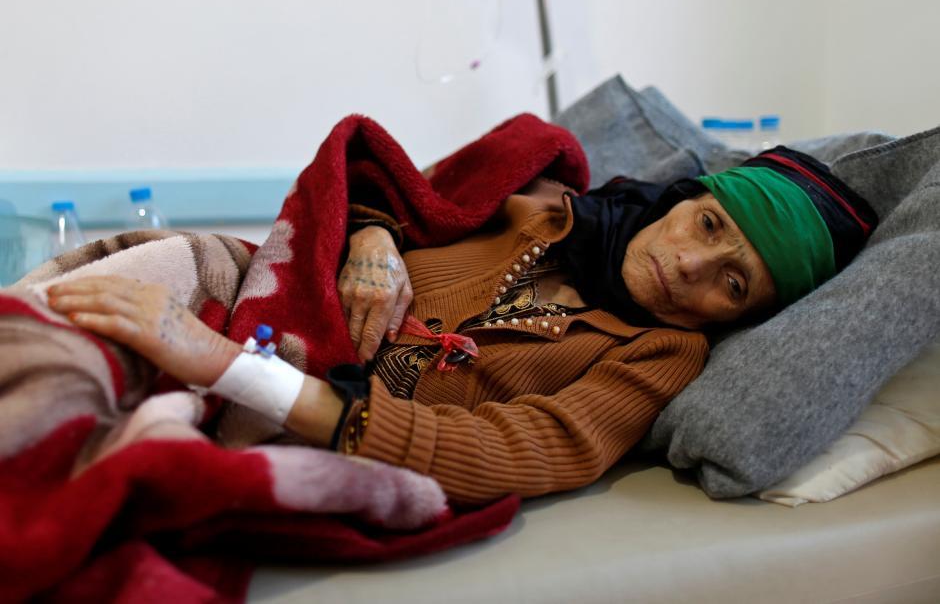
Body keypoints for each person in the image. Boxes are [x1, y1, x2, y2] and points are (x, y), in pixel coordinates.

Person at [44, 147, 877, 505]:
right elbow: (400, 187)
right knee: (103, 295)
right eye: (708, 227)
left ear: (745, 317)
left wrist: (227, 365)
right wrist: (374, 233)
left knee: (86, 442)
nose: (690, 266)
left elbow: (531, 447)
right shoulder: (544, 206)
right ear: (690, 199)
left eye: (732, 283)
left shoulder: (660, 351)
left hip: (272, 394)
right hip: (250, 288)